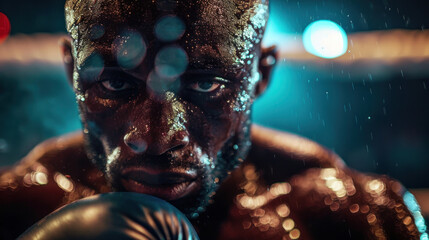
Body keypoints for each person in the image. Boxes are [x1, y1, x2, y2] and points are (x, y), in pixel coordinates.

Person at [0, 0, 426, 239]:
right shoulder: (22, 207)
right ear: (71, 71)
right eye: (114, 85)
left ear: (261, 74)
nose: (155, 136)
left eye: (206, 86)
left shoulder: (348, 218)